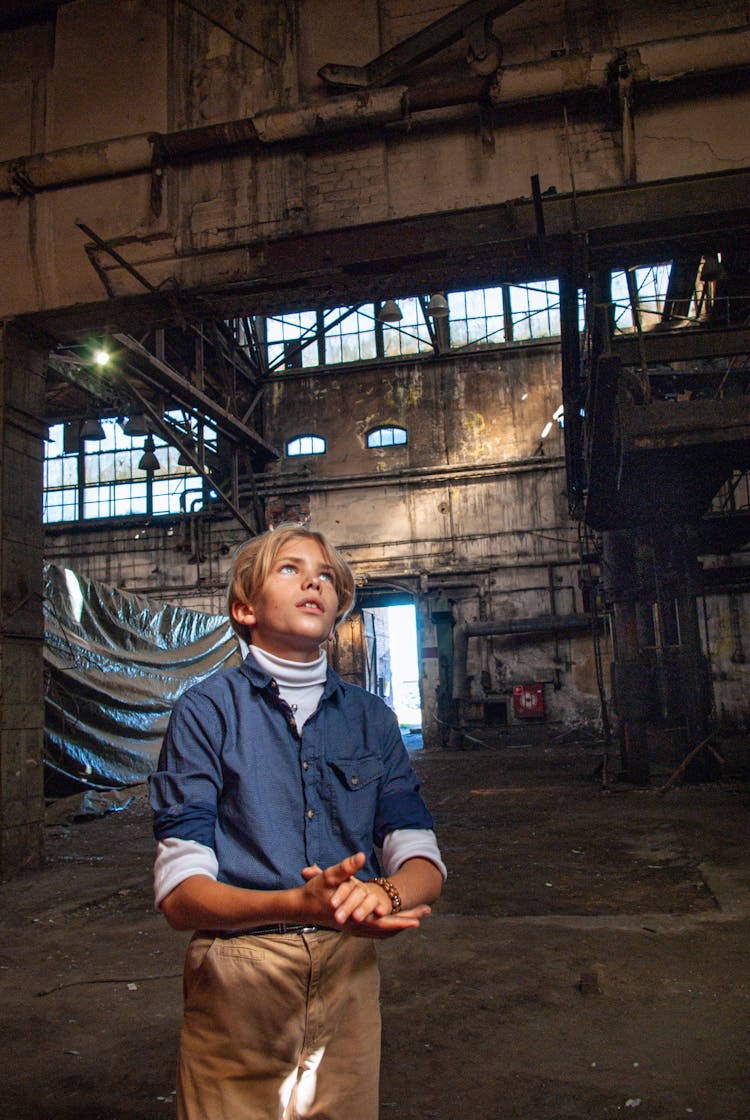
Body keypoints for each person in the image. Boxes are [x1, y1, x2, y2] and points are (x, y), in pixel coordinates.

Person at [149, 523, 446, 1120]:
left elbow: (423, 861)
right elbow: (182, 898)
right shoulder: (207, 712)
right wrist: (294, 903)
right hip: (238, 977)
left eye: (327, 575)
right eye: (289, 568)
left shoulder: (372, 720)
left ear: (337, 607)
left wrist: (379, 894)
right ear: (244, 608)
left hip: (348, 978)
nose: (314, 579)